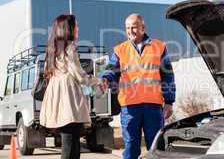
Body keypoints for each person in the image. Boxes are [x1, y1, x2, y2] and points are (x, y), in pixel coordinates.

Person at [100, 13, 176, 159]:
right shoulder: (120, 50)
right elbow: (111, 70)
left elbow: (168, 76)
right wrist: (105, 79)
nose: (130, 31)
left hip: (153, 107)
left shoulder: (159, 47)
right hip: (130, 108)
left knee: (155, 148)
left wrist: (169, 101)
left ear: (143, 27)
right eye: (127, 28)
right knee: (130, 148)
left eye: (134, 27)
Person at [39, 14, 101, 159]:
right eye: (76, 26)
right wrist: (97, 80)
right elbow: (80, 76)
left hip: (57, 96)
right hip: (69, 98)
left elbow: (49, 73)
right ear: (68, 29)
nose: (78, 28)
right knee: (71, 141)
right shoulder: (70, 48)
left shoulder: (53, 49)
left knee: (70, 139)